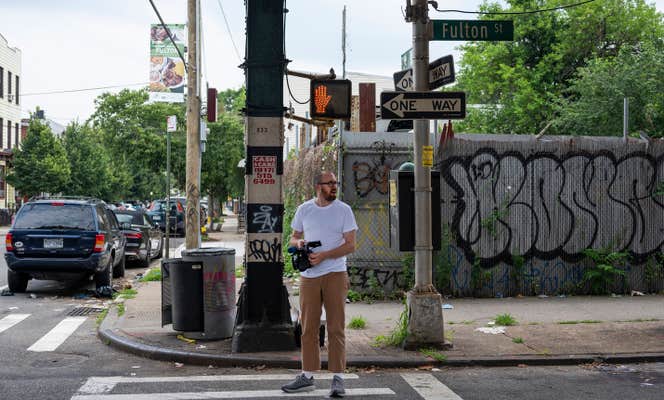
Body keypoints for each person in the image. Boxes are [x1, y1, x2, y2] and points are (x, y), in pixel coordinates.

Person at [281, 171, 358, 398]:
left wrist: (325, 255)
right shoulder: (305, 209)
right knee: (308, 328)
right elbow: (292, 238)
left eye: (335, 182)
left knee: (336, 327)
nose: (334, 186)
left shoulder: (344, 210)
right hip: (309, 277)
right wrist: (300, 242)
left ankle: (338, 379)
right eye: (329, 183)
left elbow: (351, 245)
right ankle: (307, 375)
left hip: (335, 273)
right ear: (318, 186)